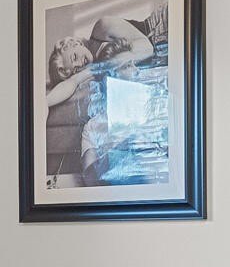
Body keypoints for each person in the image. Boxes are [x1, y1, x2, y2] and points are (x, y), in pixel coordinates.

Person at [42, 11, 158, 185]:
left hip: (160, 29)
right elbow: (72, 83)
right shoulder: (94, 67)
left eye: (74, 57)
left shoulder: (102, 27)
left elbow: (147, 48)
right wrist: (44, 102)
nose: (79, 64)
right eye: (75, 68)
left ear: (74, 43)